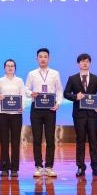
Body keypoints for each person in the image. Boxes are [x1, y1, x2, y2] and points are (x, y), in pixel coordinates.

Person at [63, 53, 97, 178]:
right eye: (82, 61)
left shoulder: (96, 78)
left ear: (90, 63)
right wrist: (75, 97)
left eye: (87, 61)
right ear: (78, 64)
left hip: (93, 115)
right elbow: (66, 94)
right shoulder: (72, 78)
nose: (84, 63)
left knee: (94, 141)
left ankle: (96, 167)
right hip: (79, 115)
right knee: (80, 141)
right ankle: (80, 167)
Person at [24, 47, 63, 177]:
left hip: (50, 109)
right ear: (37, 58)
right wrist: (31, 93)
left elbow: (59, 90)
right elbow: (26, 89)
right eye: (40, 57)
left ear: (49, 58)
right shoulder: (32, 74)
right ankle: (39, 166)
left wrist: (58, 103)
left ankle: (49, 167)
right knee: (37, 138)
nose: (43, 59)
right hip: (36, 108)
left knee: (50, 138)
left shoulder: (55, 73)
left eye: (45, 57)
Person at [0, 59, 24, 178]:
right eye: (8, 66)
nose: (10, 67)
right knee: (4, 142)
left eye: (12, 66)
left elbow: (22, 96)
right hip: (2, 114)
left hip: (16, 114)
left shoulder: (19, 81)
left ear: (15, 68)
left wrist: (21, 107)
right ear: (4, 68)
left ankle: (15, 168)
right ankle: (4, 168)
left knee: (16, 142)